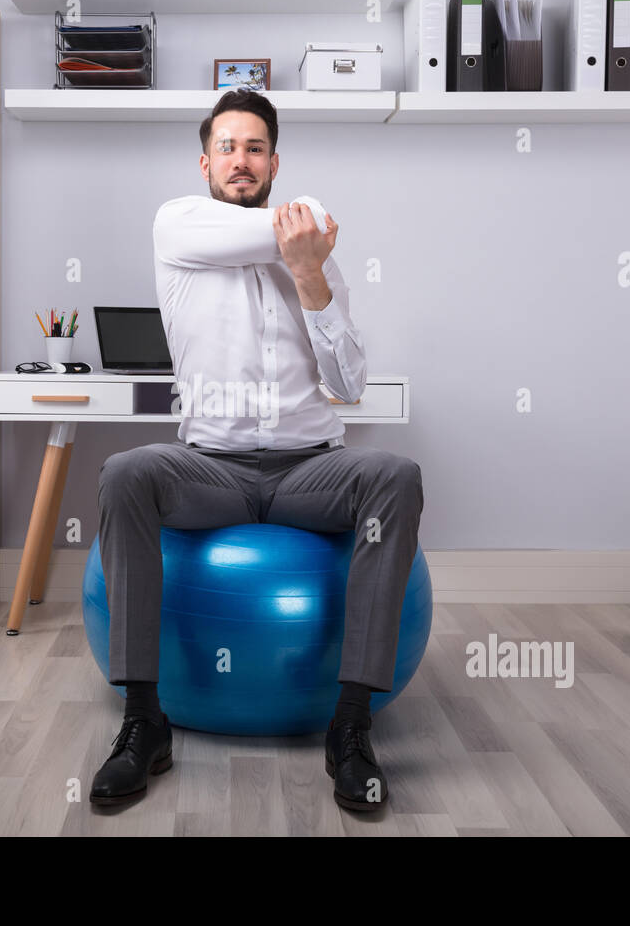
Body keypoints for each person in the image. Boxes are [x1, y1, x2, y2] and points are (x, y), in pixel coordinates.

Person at [90, 89, 424, 812]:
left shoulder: (315, 262)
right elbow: (302, 224)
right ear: (205, 160)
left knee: (395, 475)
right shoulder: (177, 224)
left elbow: (349, 383)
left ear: (274, 160)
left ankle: (351, 727)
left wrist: (310, 276)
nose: (241, 161)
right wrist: (309, 229)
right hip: (210, 466)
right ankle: (143, 722)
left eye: (255, 148)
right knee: (125, 473)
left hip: (312, 468)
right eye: (228, 148)